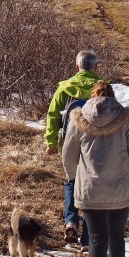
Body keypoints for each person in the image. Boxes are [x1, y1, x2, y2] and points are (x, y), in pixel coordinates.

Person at [62, 81, 129, 257]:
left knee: (96, 239)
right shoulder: (125, 118)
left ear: (92, 96)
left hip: (90, 190)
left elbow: (68, 155)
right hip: (120, 191)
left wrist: (72, 177)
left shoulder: (78, 118)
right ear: (112, 97)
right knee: (116, 237)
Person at [45, 50, 100, 246]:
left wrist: (51, 141)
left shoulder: (65, 87)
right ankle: (88, 236)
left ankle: (70, 222)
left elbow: (52, 115)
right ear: (96, 67)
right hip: (96, 144)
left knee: (71, 181)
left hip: (69, 143)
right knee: (92, 187)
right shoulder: (102, 88)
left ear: (76, 67)